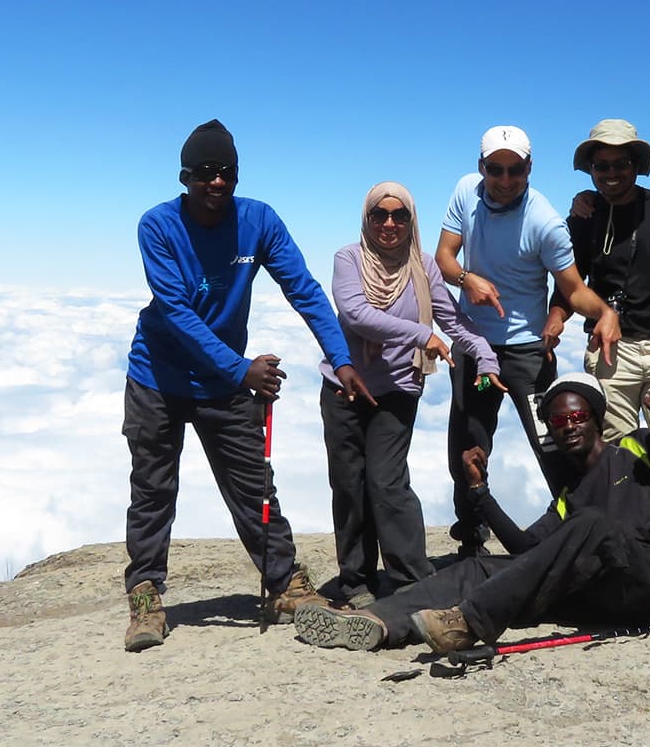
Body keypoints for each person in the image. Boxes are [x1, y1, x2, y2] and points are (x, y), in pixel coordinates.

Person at [121, 119, 373, 653]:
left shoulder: (258, 221)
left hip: (223, 379)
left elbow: (302, 289)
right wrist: (241, 370)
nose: (217, 183)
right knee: (153, 491)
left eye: (227, 173)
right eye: (206, 173)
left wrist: (342, 357)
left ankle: (284, 585)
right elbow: (176, 312)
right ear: (186, 176)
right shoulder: (158, 225)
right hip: (158, 379)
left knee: (253, 485)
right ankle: (146, 594)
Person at [292, 374, 650, 653]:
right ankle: (378, 621)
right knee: (479, 565)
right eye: (558, 424)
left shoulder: (642, 448)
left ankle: (468, 623)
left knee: (593, 526)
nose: (567, 429)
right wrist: (478, 490)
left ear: (597, 418)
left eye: (577, 417)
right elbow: (527, 551)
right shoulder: (570, 493)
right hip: (603, 597)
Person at [435, 125, 623, 556]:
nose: (504, 181)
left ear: (530, 167)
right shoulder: (466, 191)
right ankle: (472, 537)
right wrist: (468, 278)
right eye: (494, 170)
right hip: (476, 349)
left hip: (525, 353)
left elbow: (573, 288)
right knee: (467, 442)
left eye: (515, 170)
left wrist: (606, 312)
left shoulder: (545, 221)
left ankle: (579, 532)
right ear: (480, 168)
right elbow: (444, 258)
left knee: (554, 443)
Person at [318, 183, 502, 609]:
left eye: (400, 216)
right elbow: (356, 315)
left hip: (397, 388)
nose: (389, 223)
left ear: (411, 220)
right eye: (379, 215)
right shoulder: (348, 259)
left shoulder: (422, 266)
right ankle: (357, 582)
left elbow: (452, 321)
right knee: (349, 484)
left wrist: (486, 357)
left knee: (387, 481)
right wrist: (423, 335)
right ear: (366, 219)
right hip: (344, 388)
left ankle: (409, 579)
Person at [551, 118, 650, 592]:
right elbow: (569, 280)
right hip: (609, 347)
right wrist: (556, 317)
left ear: (637, 165)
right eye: (601, 166)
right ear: (590, 170)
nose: (611, 173)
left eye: (621, 164)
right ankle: (628, 553)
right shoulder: (582, 217)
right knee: (615, 455)